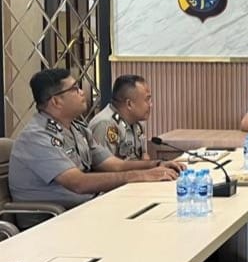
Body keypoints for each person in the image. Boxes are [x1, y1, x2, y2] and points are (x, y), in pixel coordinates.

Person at [9, 68, 182, 212]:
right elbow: (78, 183)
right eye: (75, 89)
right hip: (52, 220)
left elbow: (114, 165)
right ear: (56, 101)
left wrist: (156, 165)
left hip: (86, 207)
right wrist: (140, 176)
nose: (82, 92)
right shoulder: (36, 137)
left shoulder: (77, 129)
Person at [89, 74, 152, 160]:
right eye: (147, 100)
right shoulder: (105, 124)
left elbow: (144, 157)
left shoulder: (137, 124)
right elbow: (105, 166)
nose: (150, 105)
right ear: (129, 104)